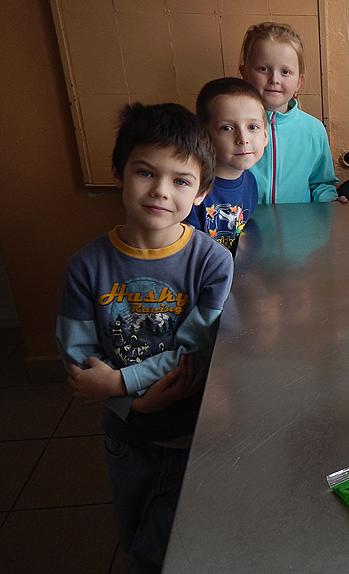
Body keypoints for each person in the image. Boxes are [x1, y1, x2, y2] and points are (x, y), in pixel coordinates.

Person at [56, 102, 234, 574]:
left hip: (190, 432)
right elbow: (78, 360)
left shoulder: (212, 261)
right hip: (126, 436)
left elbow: (195, 351)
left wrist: (120, 384)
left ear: (202, 192)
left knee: (166, 549)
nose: (160, 190)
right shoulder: (86, 266)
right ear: (119, 172)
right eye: (145, 172)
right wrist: (131, 405)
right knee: (134, 533)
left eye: (181, 180)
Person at [239, 21, 345, 203]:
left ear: (299, 82)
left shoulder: (314, 130)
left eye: (285, 72)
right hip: (245, 220)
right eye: (263, 69)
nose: (274, 79)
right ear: (245, 73)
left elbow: (320, 184)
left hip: (298, 221)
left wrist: (330, 203)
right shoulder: (230, 127)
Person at [186, 77, 267, 255]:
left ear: (265, 135)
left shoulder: (250, 182)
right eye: (227, 128)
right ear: (205, 135)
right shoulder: (191, 188)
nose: (243, 139)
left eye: (253, 127)